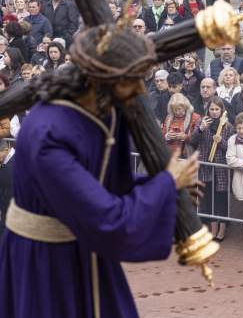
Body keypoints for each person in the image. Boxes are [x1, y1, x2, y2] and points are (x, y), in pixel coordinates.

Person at [0, 22, 200, 317]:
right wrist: (165, 185)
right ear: (101, 80)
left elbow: (103, 185)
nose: (139, 89)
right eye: (130, 79)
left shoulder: (101, 111)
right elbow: (108, 219)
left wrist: (162, 189)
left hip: (82, 249)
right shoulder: (48, 136)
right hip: (47, 263)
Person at [190, 96, 233, 241]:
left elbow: (231, 149)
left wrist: (221, 142)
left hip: (220, 167)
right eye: (212, 109)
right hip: (205, 166)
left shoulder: (228, 126)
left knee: (220, 198)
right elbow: (192, 140)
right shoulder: (202, 122)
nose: (214, 112)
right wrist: (201, 129)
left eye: (217, 109)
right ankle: (213, 228)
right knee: (207, 198)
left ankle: (222, 229)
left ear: (222, 110)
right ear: (208, 110)